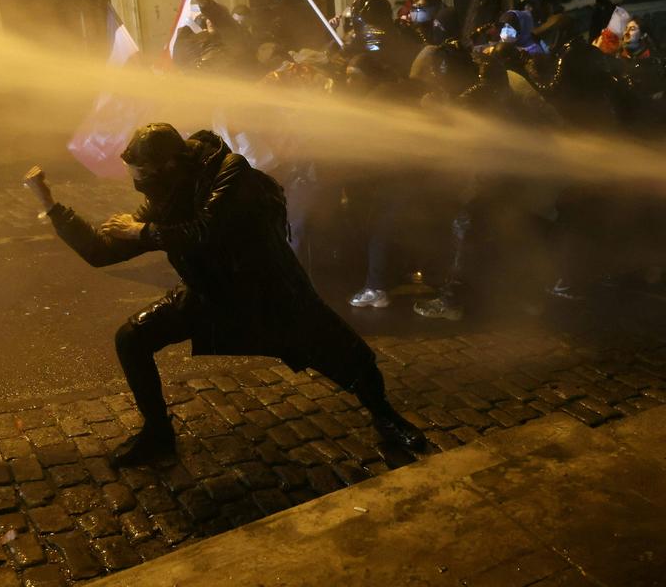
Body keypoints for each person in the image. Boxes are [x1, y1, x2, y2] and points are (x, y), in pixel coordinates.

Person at [23, 123, 426, 467]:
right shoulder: (165, 196)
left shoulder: (231, 173)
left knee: (349, 356)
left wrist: (142, 232)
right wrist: (52, 206)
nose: (139, 181)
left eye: (145, 171)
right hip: (211, 294)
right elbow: (100, 251)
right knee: (132, 338)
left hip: (270, 293)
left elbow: (206, 232)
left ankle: (386, 417)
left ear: (169, 164)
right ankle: (158, 435)